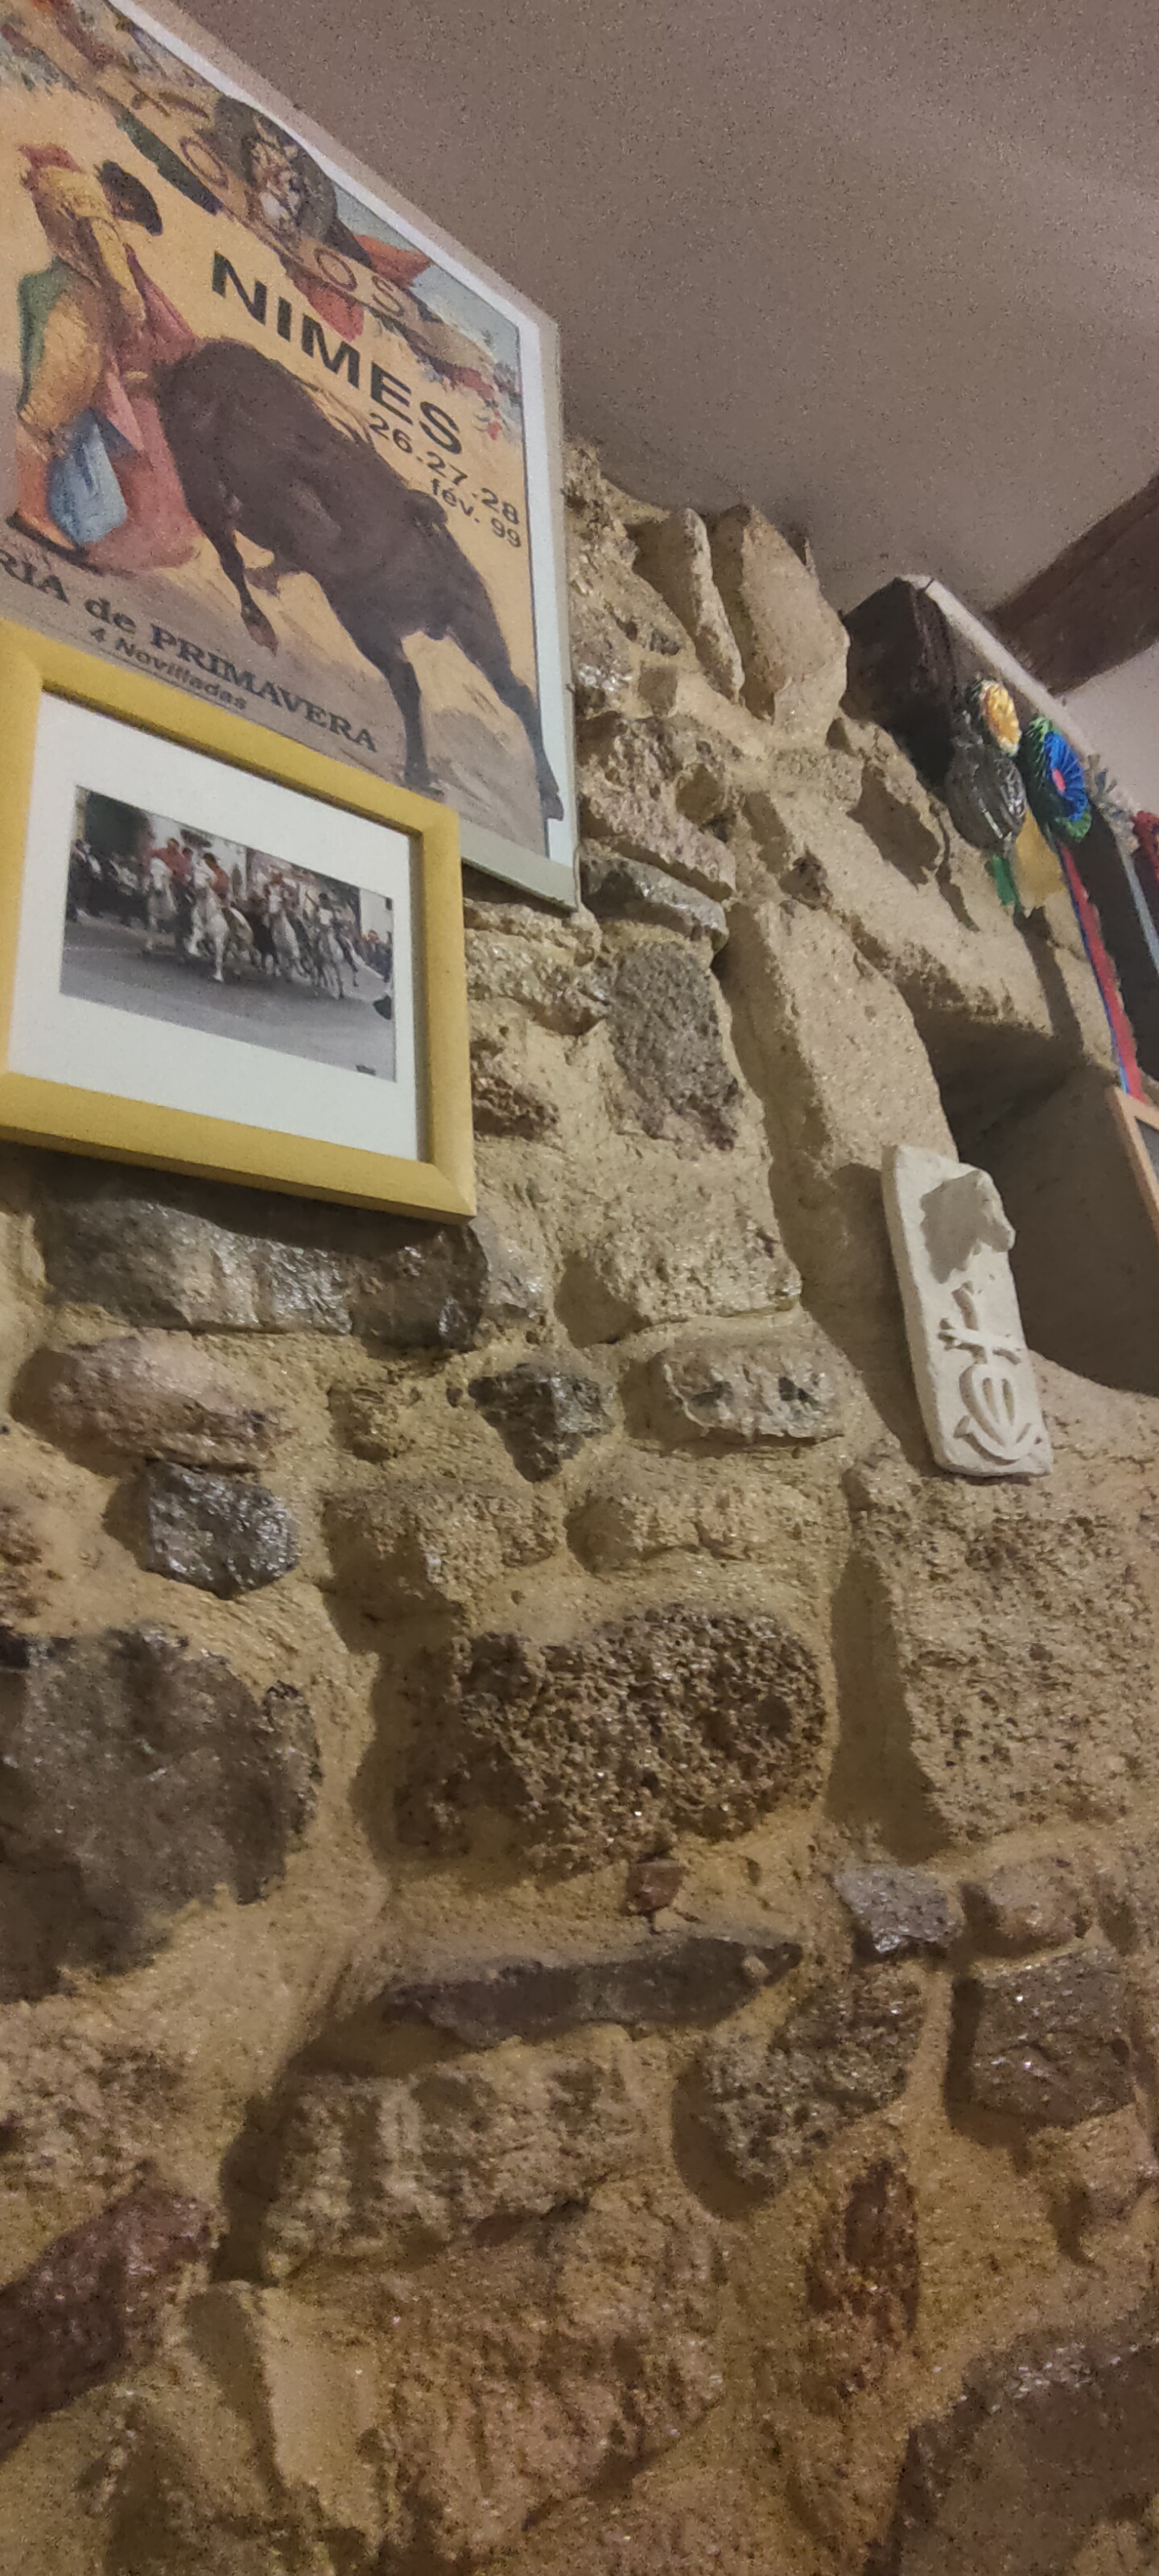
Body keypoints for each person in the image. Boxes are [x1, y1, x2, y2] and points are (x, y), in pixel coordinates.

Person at [13, 146, 198, 567]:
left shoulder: (61, 187)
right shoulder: (90, 203)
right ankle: (33, 512)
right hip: (77, 306)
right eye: (128, 216)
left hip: (61, 295)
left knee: (59, 412)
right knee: (50, 411)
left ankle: (48, 510)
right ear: (124, 203)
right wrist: (131, 318)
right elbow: (116, 275)